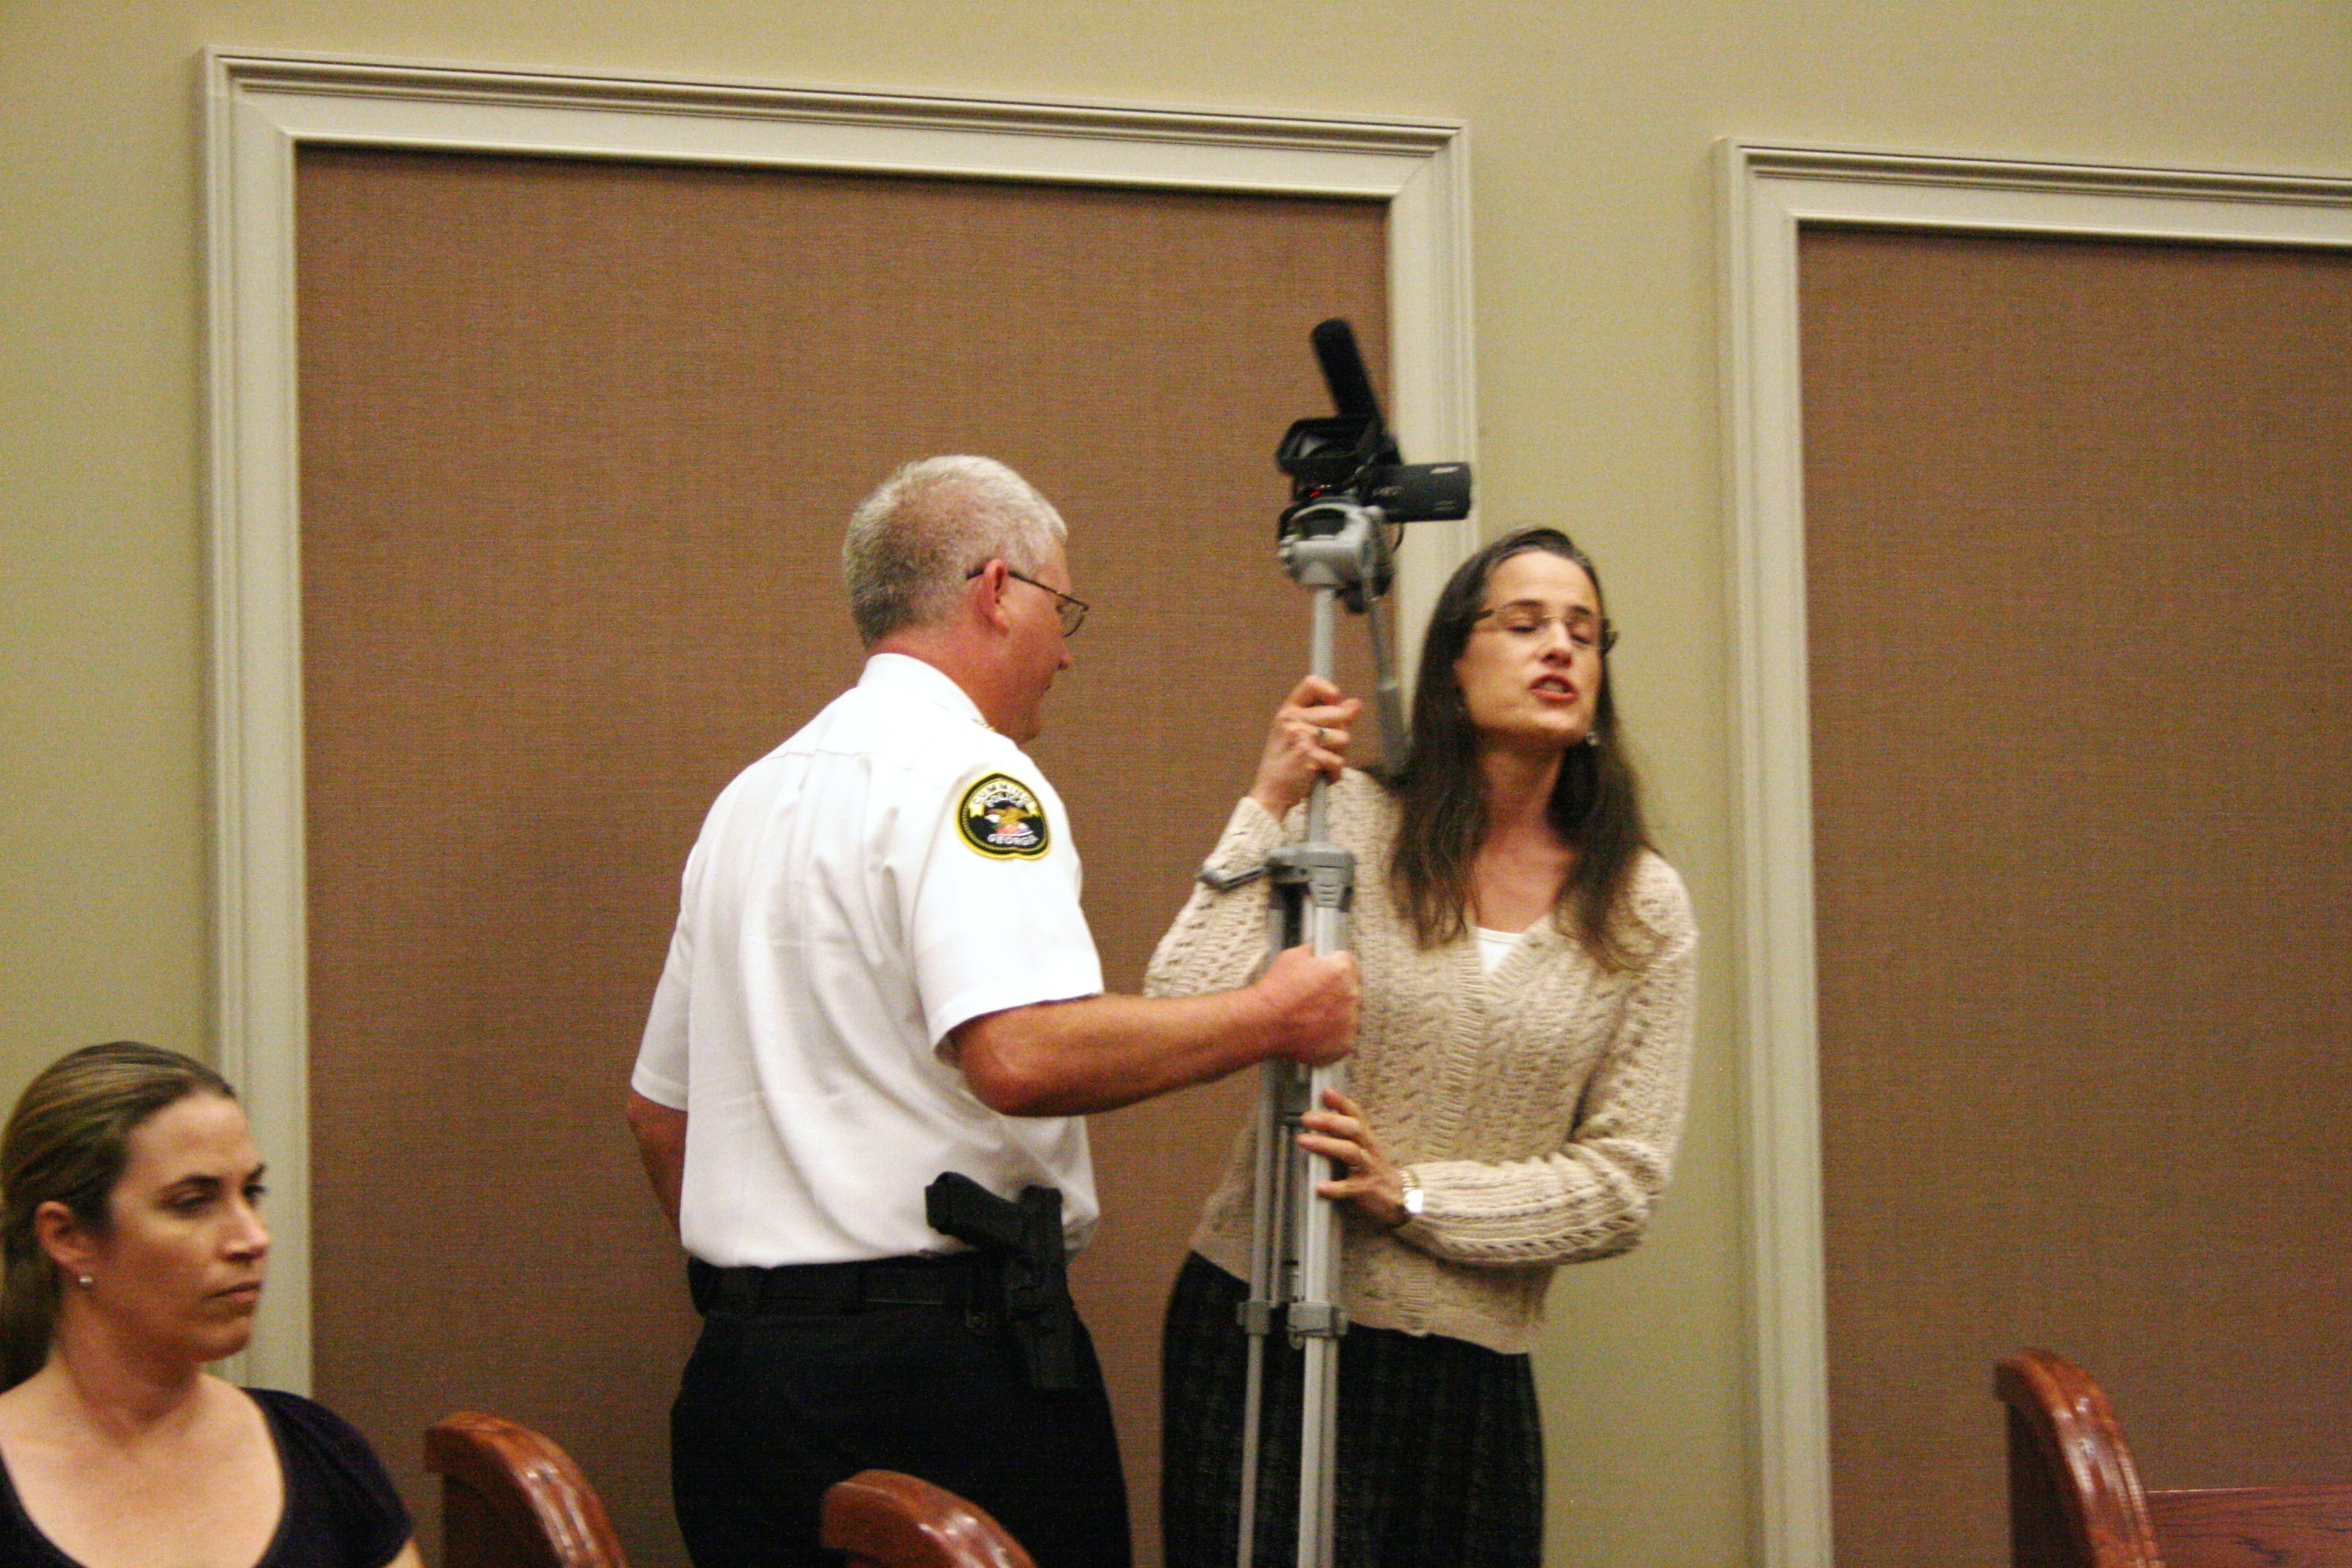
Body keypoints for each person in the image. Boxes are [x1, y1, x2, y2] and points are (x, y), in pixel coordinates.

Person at [624, 454, 1359, 1568]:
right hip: (938, 1384)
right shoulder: (976, 781)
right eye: (1061, 609)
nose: (1065, 649)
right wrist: (1272, 1016)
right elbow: (1016, 1053)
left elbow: (657, 1116)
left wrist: (786, 1287)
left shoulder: (751, 800)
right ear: (997, 589)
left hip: (749, 1384)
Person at [1149, 526, 1698, 1568]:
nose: (1560, 651)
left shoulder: (1641, 903)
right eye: (1524, 623)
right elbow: (1184, 1002)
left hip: (1472, 1374)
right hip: (1266, 1320)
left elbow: (1627, 1182)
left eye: (1584, 632)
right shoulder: (1348, 819)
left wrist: (1416, 1198)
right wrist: (1266, 803)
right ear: (1451, 662)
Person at [0, 1041, 419, 1568]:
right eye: (193, 1203)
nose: (252, 1238)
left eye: (253, 1192)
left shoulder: (323, 1455)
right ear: (68, 1236)